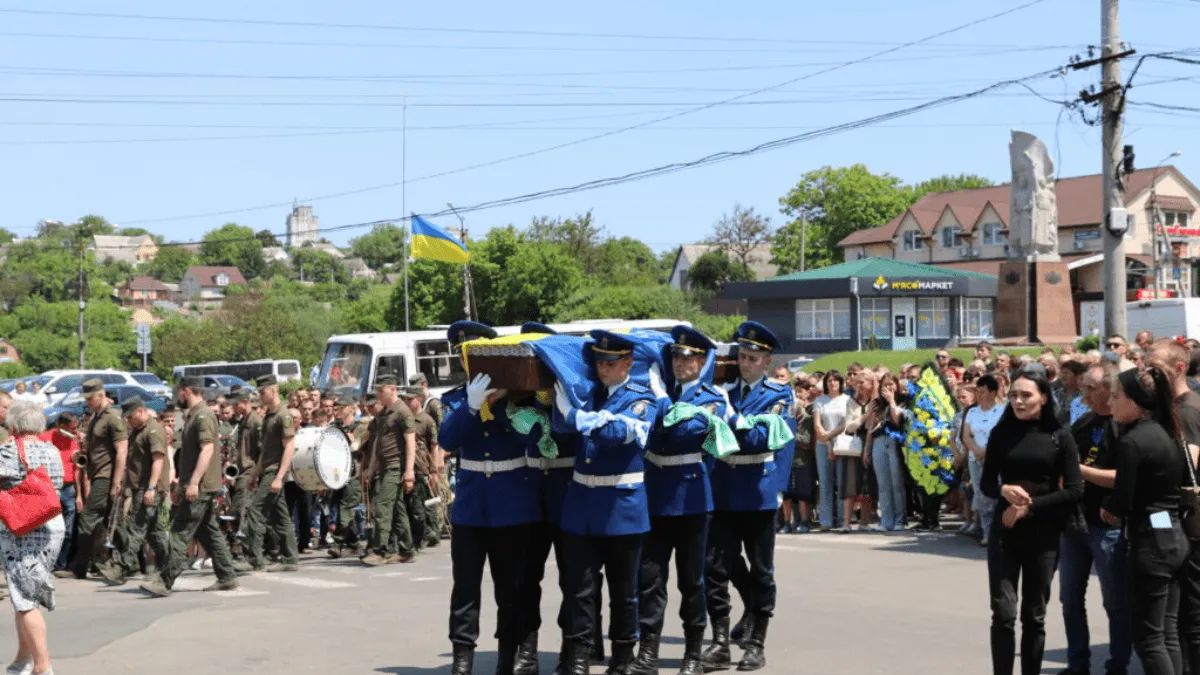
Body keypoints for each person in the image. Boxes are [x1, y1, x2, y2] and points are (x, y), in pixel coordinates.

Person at [553, 329, 659, 675]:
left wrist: (576, 417)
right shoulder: (586, 393)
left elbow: (616, 435)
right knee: (579, 589)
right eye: (599, 361)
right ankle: (579, 656)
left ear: (628, 363)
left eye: (611, 362)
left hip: (621, 508)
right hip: (582, 505)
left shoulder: (641, 398)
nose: (603, 368)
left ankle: (624, 657)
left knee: (624, 591)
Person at [440, 320, 540, 675]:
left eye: (476, 354)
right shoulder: (454, 399)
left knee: (510, 589)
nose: (470, 363)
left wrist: (504, 402)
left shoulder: (518, 399)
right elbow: (446, 440)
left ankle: (507, 658)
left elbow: (533, 439)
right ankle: (461, 660)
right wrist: (470, 406)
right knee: (465, 589)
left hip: (511, 505)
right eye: (465, 356)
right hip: (470, 508)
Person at [630, 325, 725, 675]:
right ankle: (648, 653)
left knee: (692, 581)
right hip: (656, 498)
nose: (681, 362)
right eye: (676, 355)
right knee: (650, 578)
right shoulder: (656, 393)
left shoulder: (712, 398)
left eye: (689, 356)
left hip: (691, 500)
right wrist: (657, 398)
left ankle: (693, 655)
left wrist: (661, 401)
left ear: (702, 361)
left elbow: (683, 431)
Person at [704, 321, 794, 672]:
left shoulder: (779, 394)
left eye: (753, 358)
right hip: (724, 489)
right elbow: (710, 437)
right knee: (716, 568)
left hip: (758, 490)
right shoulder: (725, 391)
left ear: (767, 361)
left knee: (761, 570)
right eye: (742, 356)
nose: (745, 363)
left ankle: (757, 642)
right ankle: (720, 642)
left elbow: (761, 440)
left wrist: (728, 424)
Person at [981, 370, 1083, 675]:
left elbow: (1075, 491)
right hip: (1005, 531)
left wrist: (1030, 507)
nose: (1018, 401)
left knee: (1034, 616)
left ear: (1043, 397)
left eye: (1026, 395)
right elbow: (986, 484)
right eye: (1013, 395)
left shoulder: (1060, 436)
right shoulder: (1001, 434)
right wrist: (1003, 489)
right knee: (1003, 613)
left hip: (1044, 536)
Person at [1101, 365, 1189, 674]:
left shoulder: (1133, 440)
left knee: (1149, 639)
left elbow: (1122, 500)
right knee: (1167, 632)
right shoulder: (1168, 431)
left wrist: (1108, 509)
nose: (1111, 403)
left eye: (1116, 396)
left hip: (1150, 544)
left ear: (1135, 401)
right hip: (1172, 535)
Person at [1057, 364, 1131, 675]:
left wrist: (1080, 472)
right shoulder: (1083, 422)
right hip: (1074, 524)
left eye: (1091, 388)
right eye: (1083, 387)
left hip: (1107, 526)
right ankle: (1078, 664)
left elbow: (1122, 478)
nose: (1084, 393)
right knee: (1070, 599)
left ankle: (1118, 664)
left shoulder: (1122, 427)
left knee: (1115, 602)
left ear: (1108, 389)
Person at [139, 379, 241, 597]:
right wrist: (183, 485)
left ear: (187, 391)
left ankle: (165, 581)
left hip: (201, 486)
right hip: (195, 484)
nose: (177, 397)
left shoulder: (203, 416)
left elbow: (207, 450)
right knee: (208, 532)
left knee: (180, 532)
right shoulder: (195, 415)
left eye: (178, 393)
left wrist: (194, 483)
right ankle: (227, 576)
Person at [1146, 337, 1200, 670]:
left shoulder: (1188, 411)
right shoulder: (1168, 409)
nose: (1147, 369)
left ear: (1179, 367)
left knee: (1191, 617)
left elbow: (1185, 466)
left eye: (1155, 364)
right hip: (1175, 523)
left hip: (1190, 526)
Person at [0, 402, 64, 675]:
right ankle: (23, 659)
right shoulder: (52, 449)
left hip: (21, 528)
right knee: (24, 593)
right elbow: (59, 483)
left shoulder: (9, 450)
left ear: (13, 425)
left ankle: (42, 665)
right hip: (51, 525)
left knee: (25, 599)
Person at [97, 397, 175, 586]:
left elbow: (158, 460)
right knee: (154, 533)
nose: (128, 421)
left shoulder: (153, 430)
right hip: (138, 486)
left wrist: (151, 488)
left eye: (130, 417)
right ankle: (169, 565)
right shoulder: (139, 431)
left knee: (136, 529)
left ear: (140, 411)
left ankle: (120, 569)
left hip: (148, 488)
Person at [67, 380, 128, 580]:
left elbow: (122, 450)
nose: (87, 403)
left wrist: (117, 480)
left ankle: (90, 565)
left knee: (89, 518)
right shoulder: (96, 417)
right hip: (97, 474)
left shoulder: (112, 418)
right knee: (109, 520)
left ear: (101, 396)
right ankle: (124, 562)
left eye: (90, 398)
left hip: (107, 475)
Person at [243, 375, 300, 573]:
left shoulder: (283, 415)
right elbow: (265, 451)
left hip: (275, 472)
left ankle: (254, 559)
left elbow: (289, 447)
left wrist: (278, 477)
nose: (260, 395)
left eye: (262, 391)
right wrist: (253, 475)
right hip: (267, 470)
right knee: (281, 517)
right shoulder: (269, 415)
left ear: (273, 390)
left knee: (255, 512)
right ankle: (290, 558)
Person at [361, 374, 418, 566]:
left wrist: (409, 471)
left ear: (393, 389)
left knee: (383, 506)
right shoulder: (385, 413)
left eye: (381, 390)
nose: (378, 394)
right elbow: (378, 442)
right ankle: (406, 549)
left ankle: (380, 550)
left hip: (395, 466)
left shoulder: (402, 411)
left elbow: (411, 442)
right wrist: (371, 467)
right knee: (397, 509)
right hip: (384, 467)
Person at [865, 372, 908, 532]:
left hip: (895, 442)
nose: (889, 387)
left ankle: (900, 519)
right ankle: (886, 519)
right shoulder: (876, 403)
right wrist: (866, 449)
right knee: (883, 484)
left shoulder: (903, 401)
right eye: (885, 385)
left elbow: (897, 420)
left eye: (891, 384)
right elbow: (870, 427)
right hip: (878, 442)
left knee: (896, 483)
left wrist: (891, 401)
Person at [964, 375, 1004, 546]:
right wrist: (976, 451)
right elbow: (966, 436)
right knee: (981, 495)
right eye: (977, 392)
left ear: (993, 392)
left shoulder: (1003, 410)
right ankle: (987, 532)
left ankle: (1000, 531)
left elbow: (1002, 435)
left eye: (983, 391)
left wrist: (987, 452)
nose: (979, 395)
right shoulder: (972, 412)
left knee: (997, 495)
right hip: (975, 459)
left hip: (996, 459)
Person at [37, 414, 79, 575]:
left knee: (67, 530)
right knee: (49, 528)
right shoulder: (44, 437)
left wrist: (80, 494)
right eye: (71, 428)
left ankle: (61, 564)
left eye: (75, 428)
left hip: (68, 487)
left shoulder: (73, 439)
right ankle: (46, 563)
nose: (74, 431)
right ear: (61, 426)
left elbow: (77, 464)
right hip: (50, 487)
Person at [328, 394, 368, 559]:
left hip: (354, 473)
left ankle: (337, 543)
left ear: (351, 408)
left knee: (346, 508)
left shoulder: (360, 427)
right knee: (340, 508)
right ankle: (354, 544)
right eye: (336, 408)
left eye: (342, 407)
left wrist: (353, 440)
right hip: (337, 474)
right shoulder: (334, 427)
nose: (338, 411)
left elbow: (359, 447)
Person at [812, 371, 851, 531]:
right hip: (822, 445)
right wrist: (827, 442)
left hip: (842, 444)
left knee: (841, 482)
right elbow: (817, 424)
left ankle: (843, 519)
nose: (832, 383)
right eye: (829, 380)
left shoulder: (847, 400)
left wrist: (830, 435)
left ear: (840, 383)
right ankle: (826, 520)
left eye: (835, 380)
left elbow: (846, 422)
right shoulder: (820, 400)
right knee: (825, 483)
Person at [399, 386, 436, 552]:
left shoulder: (427, 421)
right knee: (405, 506)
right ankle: (411, 538)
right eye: (405, 400)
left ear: (418, 399)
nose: (407, 402)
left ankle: (418, 539)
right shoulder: (402, 419)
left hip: (420, 468)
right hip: (403, 467)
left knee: (418, 508)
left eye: (410, 399)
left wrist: (434, 470)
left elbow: (433, 446)